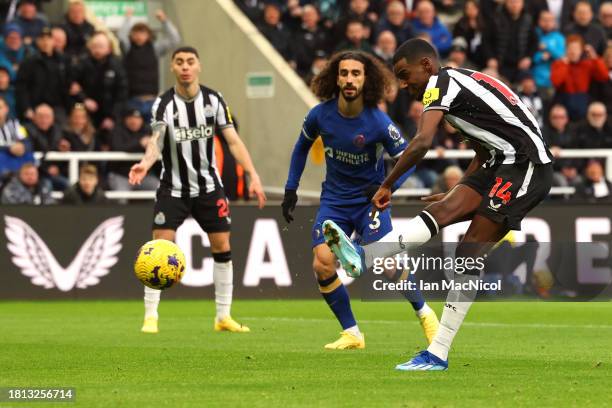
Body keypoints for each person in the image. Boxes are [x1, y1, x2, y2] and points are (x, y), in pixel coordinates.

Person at [322, 38, 553, 370]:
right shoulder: (460, 83)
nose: (403, 85)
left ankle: (438, 352)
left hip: (526, 164)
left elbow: (421, 143)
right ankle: (364, 256)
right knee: (440, 210)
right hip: (500, 160)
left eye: (405, 75)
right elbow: (485, 147)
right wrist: (457, 190)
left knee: (469, 250)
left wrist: (387, 185)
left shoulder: (440, 84)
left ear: (427, 66)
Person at [282, 50, 439, 350]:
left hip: (370, 202)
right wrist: (291, 189)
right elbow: (301, 147)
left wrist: (386, 188)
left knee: (389, 264)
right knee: (323, 265)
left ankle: (426, 314)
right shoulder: (320, 115)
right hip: (334, 201)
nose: (349, 79)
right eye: (344, 73)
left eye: (356, 73)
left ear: (367, 80)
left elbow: (409, 159)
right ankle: (352, 332)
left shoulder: (378, 122)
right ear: (335, 78)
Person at [128, 46, 267, 334]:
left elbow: (233, 141)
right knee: (159, 248)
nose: (185, 67)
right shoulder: (163, 104)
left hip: (208, 188)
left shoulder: (214, 100)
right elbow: (157, 140)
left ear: (199, 66)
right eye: (179, 62)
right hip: (173, 188)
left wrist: (253, 174)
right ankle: (150, 316)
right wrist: (144, 163)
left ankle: (223, 316)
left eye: (190, 62)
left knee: (222, 247)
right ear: (173, 68)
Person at [117, 8, 181, 123]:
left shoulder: (155, 48)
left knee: (153, 135)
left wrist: (164, 20)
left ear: (148, 35)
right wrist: (127, 18)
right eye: (135, 32)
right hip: (133, 101)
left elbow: (174, 39)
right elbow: (121, 36)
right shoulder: (128, 48)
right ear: (131, 35)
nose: (139, 36)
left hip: (152, 101)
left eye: (142, 32)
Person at [15, 26, 70, 122]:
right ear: (37, 42)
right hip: (35, 107)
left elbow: (68, 84)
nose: (46, 42)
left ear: (53, 41)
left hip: (57, 107)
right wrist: (26, 108)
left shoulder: (63, 61)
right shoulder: (29, 61)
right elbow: (21, 87)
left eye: (49, 39)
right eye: (42, 39)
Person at [108, 107, 158, 194]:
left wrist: (151, 144)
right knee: (120, 196)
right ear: (125, 120)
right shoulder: (118, 130)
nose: (134, 121)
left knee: (159, 189)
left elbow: (158, 148)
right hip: (121, 175)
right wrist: (139, 143)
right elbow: (118, 147)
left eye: (137, 119)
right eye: (131, 118)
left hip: (143, 175)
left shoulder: (147, 130)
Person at [0, 96, 33, 176]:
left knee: (29, 155)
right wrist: (9, 148)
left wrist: (23, 146)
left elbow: (27, 141)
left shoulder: (15, 124)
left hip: (16, 161)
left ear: (6, 109)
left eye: (0, 107)